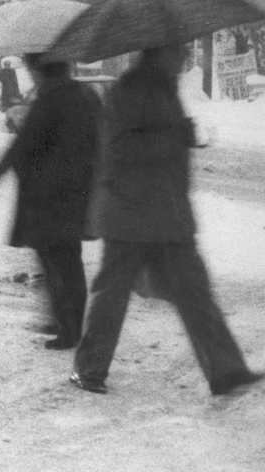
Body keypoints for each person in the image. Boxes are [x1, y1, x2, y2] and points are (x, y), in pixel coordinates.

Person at [70, 43, 263, 396]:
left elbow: (157, 141)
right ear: (158, 53)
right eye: (179, 51)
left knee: (195, 292)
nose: (185, 57)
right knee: (112, 295)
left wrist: (180, 135)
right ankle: (89, 369)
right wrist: (173, 136)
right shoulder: (129, 90)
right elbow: (117, 150)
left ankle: (225, 370)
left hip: (166, 211)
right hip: (129, 213)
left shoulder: (162, 88)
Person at [0, 55, 101, 350]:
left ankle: (67, 328)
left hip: (47, 197)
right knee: (69, 260)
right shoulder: (86, 96)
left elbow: (22, 147)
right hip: (77, 192)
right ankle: (67, 322)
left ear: (40, 71)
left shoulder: (49, 101)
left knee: (56, 261)